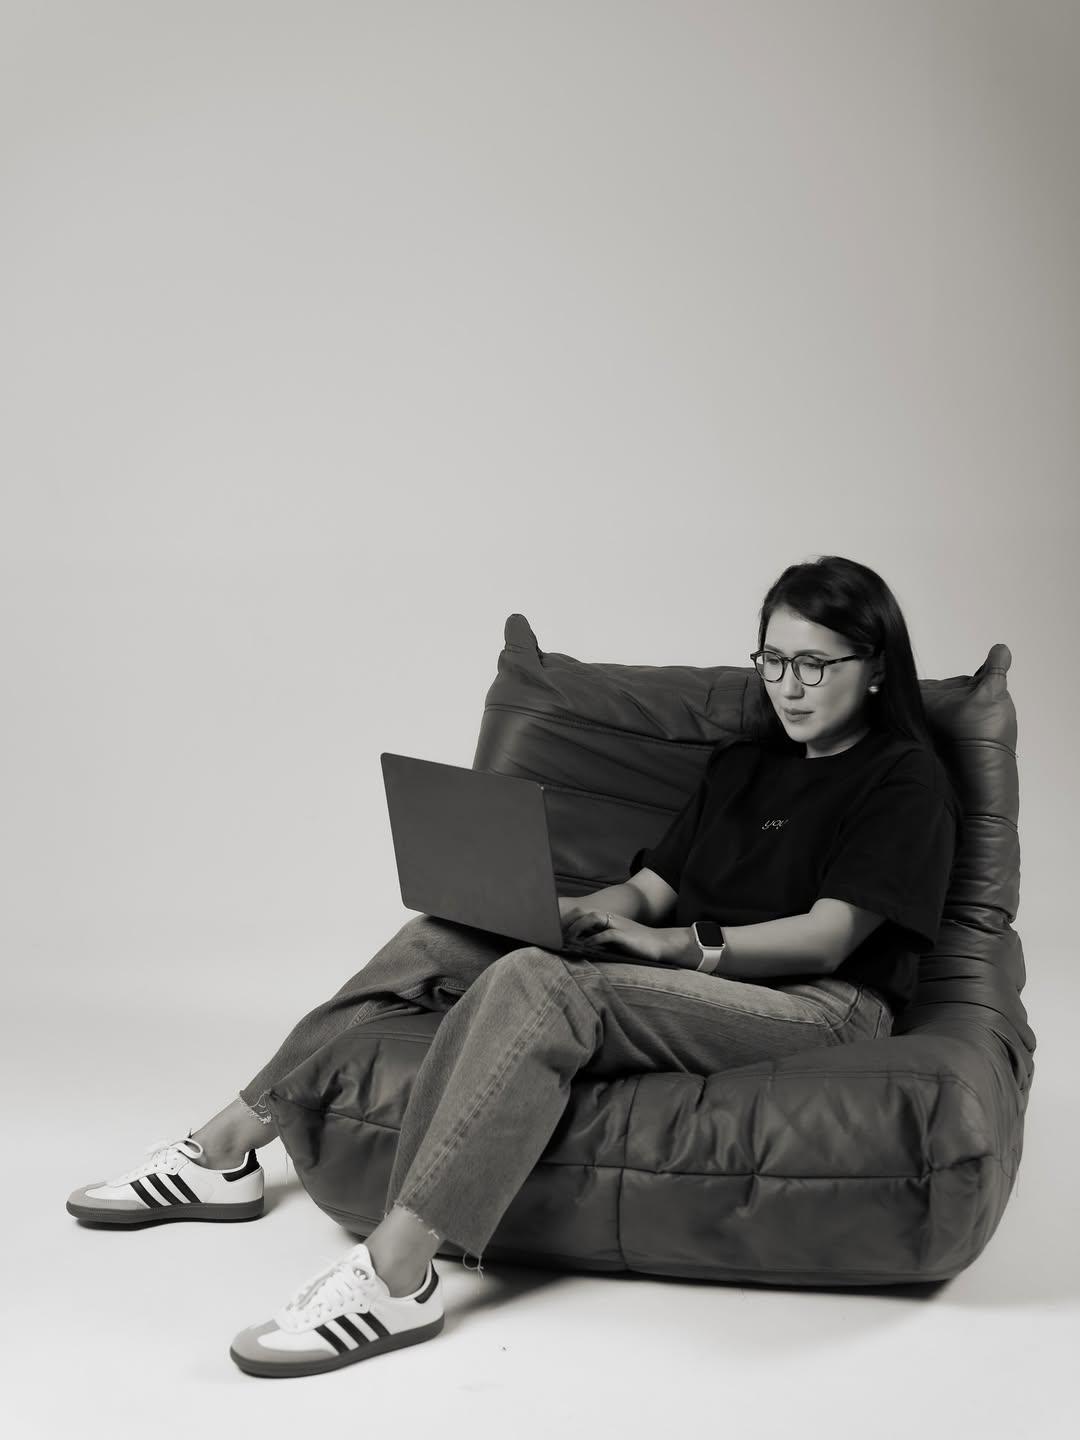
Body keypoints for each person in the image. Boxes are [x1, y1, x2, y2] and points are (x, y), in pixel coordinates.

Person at [67, 554, 961, 1379]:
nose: (789, 686)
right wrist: (558, 914)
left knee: (544, 986)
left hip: (813, 1003)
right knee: (442, 937)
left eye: (816, 665)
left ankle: (399, 1274)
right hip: (690, 969)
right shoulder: (746, 764)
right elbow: (651, 888)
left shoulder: (903, 779)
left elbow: (829, 936)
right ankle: (224, 1153)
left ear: (877, 665)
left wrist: (679, 947)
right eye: (773, 660)